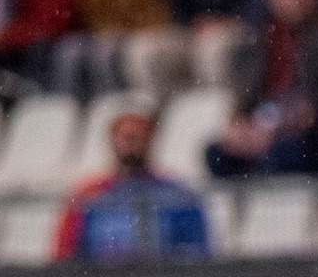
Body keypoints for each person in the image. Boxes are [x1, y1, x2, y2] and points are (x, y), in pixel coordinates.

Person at [205, 0, 318, 176]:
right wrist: (240, 123)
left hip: (309, 132)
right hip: (265, 128)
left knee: (285, 151)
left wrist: (270, 124)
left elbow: (315, 98)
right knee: (217, 153)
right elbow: (244, 94)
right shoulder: (260, 36)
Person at [52, 110, 209, 261]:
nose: (130, 144)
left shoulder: (179, 196)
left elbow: (196, 254)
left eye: (136, 137)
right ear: (112, 141)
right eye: (125, 137)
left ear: (150, 140)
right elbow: (64, 255)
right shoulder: (88, 196)